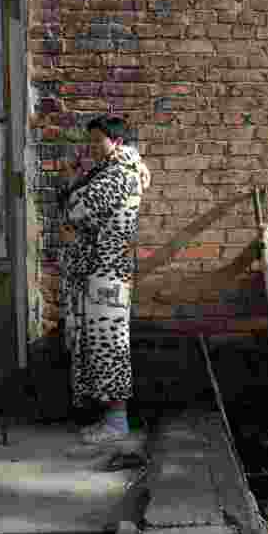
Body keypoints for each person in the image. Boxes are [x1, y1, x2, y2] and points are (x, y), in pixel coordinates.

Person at [58, 116, 151, 443]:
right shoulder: (110, 173)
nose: (92, 147)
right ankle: (109, 418)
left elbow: (77, 210)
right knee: (98, 341)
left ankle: (116, 422)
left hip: (107, 270)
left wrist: (71, 189)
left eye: (99, 141)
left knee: (108, 342)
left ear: (118, 142)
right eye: (91, 140)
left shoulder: (118, 176)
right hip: (101, 267)